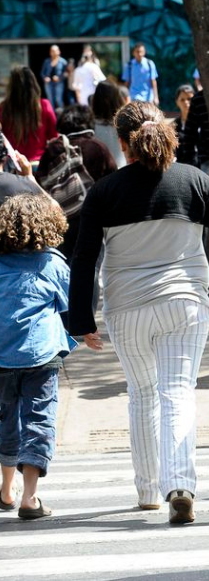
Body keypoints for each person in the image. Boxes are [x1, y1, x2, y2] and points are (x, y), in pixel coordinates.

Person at [67, 101, 209, 524]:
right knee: (177, 392)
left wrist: (81, 320)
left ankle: (148, 490)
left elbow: (84, 258)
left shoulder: (105, 191)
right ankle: (179, 484)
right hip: (184, 304)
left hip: (126, 308)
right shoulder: (195, 181)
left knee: (143, 395)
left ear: (122, 142)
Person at [0, 194, 75, 520]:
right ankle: (30, 497)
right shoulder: (52, 263)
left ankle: (5, 490)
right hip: (40, 355)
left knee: (5, 419)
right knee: (39, 420)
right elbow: (67, 304)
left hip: (1, 355)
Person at [36, 105, 117, 259]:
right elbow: (113, 181)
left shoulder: (52, 149)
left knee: (64, 266)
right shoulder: (98, 147)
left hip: (61, 220)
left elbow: (40, 182)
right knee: (91, 266)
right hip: (92, 220)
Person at [0, 66, 58, 165]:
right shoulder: (44, 105)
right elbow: (54, 136)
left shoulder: (3, 108)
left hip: (13, 165)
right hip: (39, 164)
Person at [92, 81, 129, 169]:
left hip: (99, 175)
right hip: (122, 171)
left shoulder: (90, 124)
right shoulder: (125, 123)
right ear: (117, 98)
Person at [172, 85, 197, 167]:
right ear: (177, 102)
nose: (186, 102)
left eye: (189, 99)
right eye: (182, 100)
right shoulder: (173, 126)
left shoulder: (200, 123)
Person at [40, 45, 68, 111]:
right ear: (50, 52)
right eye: (52, 51)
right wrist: (45, 78)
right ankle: (52, 116)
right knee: (50, 100)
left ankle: (61, 115)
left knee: (58, 99)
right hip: (48, 83)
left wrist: (59, 77)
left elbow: (66, 73)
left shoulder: (63, 62)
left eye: (55, 51)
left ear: (59, 51)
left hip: (59, 83)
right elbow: (42, 73)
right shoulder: (47, 61)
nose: (54, 52)